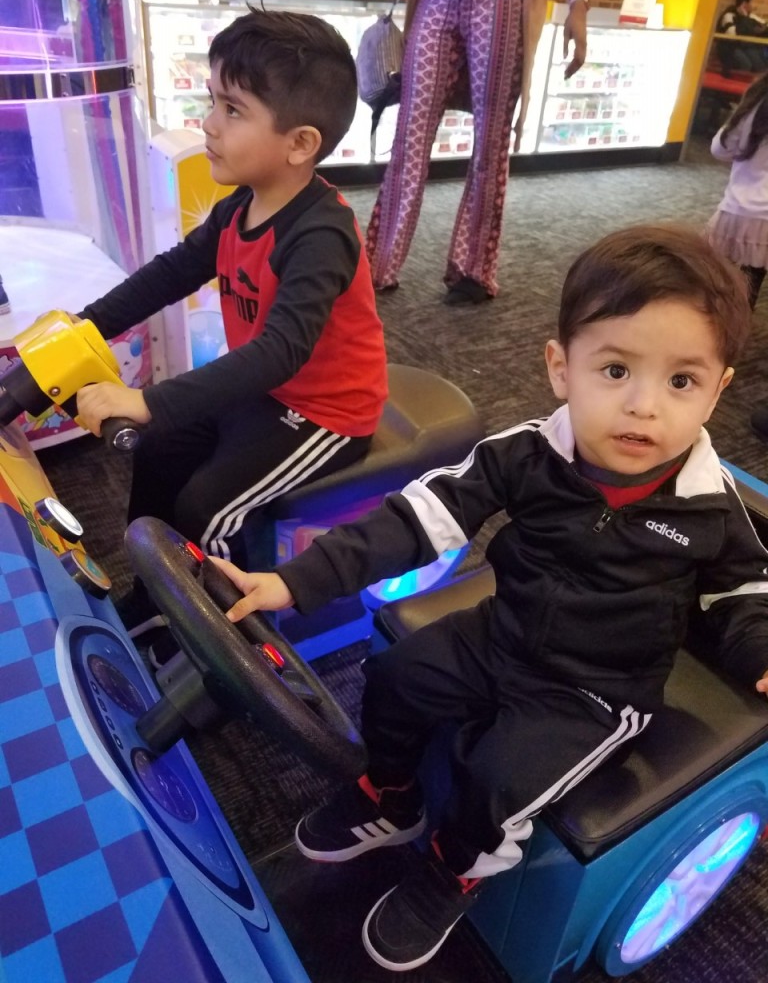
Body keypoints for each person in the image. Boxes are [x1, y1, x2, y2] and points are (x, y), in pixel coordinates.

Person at [212, 224, 768, 973]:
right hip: (501, 633)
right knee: (395, 676)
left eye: (681, 382)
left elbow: (743, 587)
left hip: (597, 691)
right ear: (561, 368)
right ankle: (393, 795)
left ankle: (456, 871)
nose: (644, 407)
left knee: (499, 780)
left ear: (718, 389)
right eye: (615, 370)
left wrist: (758, 650)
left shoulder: (709, 505)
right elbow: (420, 515)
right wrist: (298, 580)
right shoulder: (527, 453)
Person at [74, 9, 388, 609]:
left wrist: (148, 399)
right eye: (213, 101)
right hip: (268, 390)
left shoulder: (321, 233)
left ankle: (213, 631)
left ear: (300, 144)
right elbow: (170, 274)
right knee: (157, 445)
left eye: (233, 110)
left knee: (207, 509)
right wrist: (84, 325)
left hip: (325, 415)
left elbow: (280, 352)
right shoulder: (238, 207)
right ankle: (153, 593)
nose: (209, 123)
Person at [365, 0, 590, 306]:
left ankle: (473, 269)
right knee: (409, 135)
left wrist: (578, 1)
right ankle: (377, 264)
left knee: (490, 142)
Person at [705, 69, 768, 310]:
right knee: (752, 283)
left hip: (736, 209)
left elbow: (719, 149)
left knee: (717, 278)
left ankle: (712, 324)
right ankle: (738, 326)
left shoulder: (756, 101)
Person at [716, 0, 768, 76]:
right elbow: (732, 35)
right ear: (744, 3)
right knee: (746, 64)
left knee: (761, 65)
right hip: (730, 48)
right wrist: (744, 18)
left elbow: (763, 26)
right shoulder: (729, 15)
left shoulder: (751, 16)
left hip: (745, 47)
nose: (756, 5)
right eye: (754, 2)